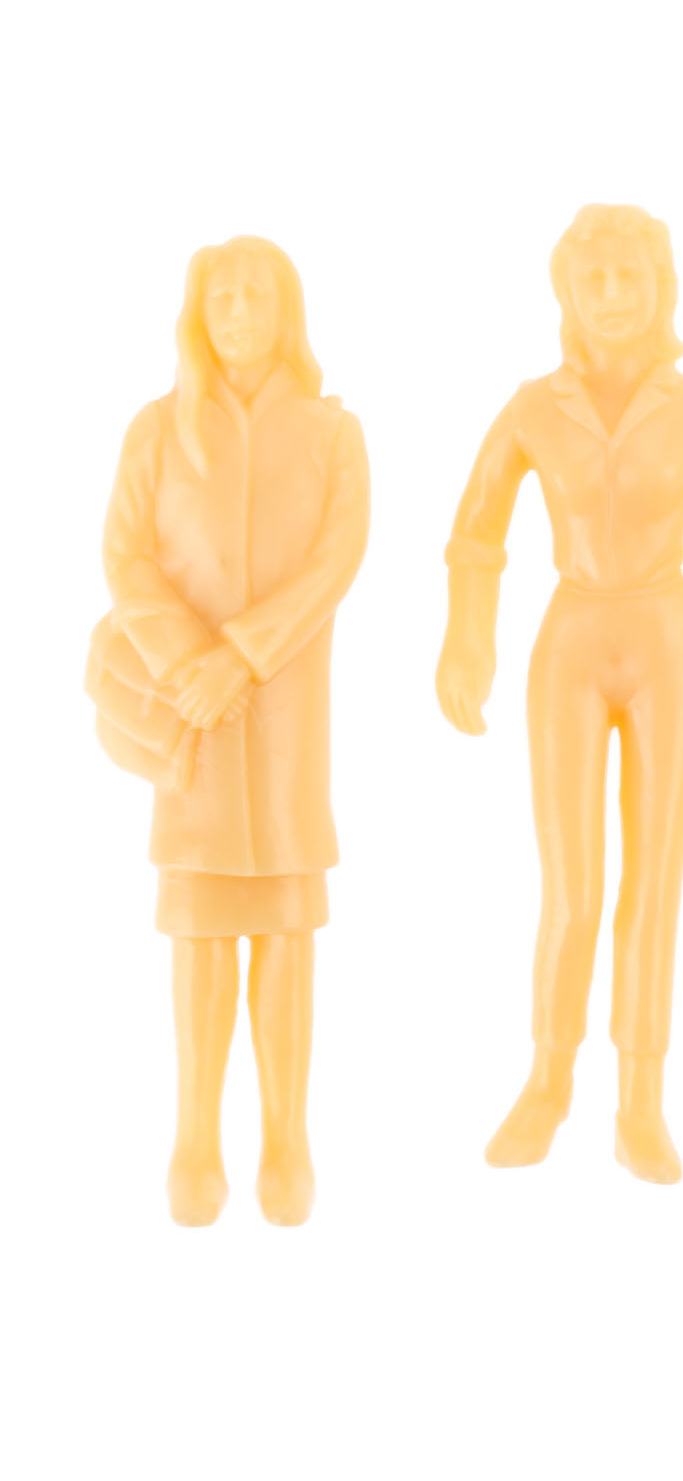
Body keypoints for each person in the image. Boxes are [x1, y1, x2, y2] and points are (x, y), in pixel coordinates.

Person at [438, 205, 683, 1184]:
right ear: (564, 292)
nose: (611, 295)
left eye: (630, 276)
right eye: (592, 279)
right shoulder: (530, 407)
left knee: (655, 879)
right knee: (573, 885)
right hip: (571, 639)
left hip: (669, 639)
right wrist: (467, 635)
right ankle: (548, 1079)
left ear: (662, 287)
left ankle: (640, 1098)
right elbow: (475, 533)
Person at [96, 236, 369, 1225]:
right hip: (193, 722)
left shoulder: (334, 434)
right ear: (197, 313)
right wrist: (185, 663)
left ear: (287, 308)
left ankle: (288, 1136)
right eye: (223, 295)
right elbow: (124, 556)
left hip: (284, 710)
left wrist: (240, 657)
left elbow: (337, 561)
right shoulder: (156, 430)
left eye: (258, 293)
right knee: (202, 924)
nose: (241, 310)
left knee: (287, 923)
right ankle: (196, 1135)